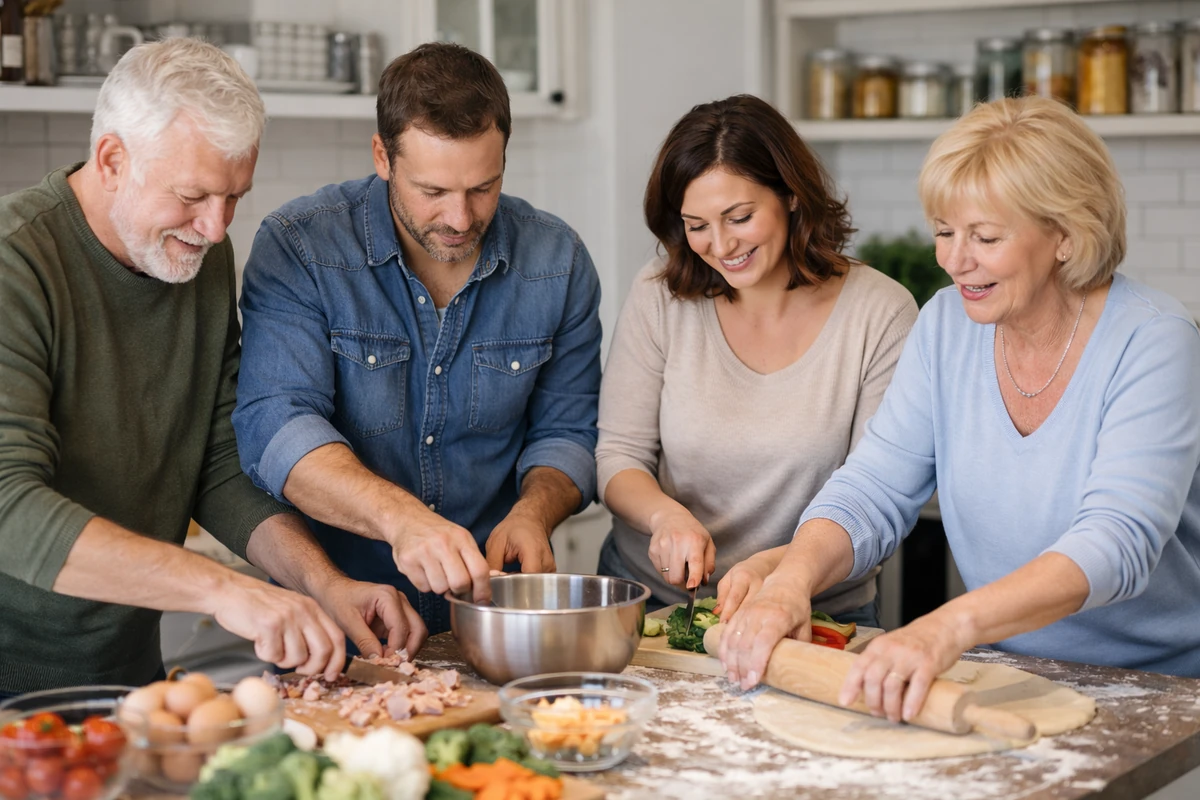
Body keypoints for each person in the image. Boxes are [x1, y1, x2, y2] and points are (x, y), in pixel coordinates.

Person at [718, 96, 1200, 722]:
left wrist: (945, 628)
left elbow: (1119, 540)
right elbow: (872, 489)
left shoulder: (1154, 339)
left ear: (1066, 234)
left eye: (986, 237)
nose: (954, 260)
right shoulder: (946, 323)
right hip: (1007, 676)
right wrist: (791, 580)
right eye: (945, 232)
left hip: (1163, 690)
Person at [0, 39, 426, 699]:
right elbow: (9, 508)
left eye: (234, 197)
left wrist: (323, 583)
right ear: (113, 158)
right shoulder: (16, 266)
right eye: (194, 195)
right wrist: (224, 590)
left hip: (125, 683)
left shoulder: (189, 255)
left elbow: (219, 461)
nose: (216, 226)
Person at [232, 43, 602, 635]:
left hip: (487, 620)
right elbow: (275, 427)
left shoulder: (557, 261)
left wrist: (534, 512)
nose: (460, 218)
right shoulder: (301, 247)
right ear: (383, 156)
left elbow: (568, 431)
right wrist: (399, 518)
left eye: (484, 187)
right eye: (433, 192)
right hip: (341, 617)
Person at [594, 94, 917, 623]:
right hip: (653, 605)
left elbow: (874, 498)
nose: (720, 246)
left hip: (815, 613)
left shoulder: (880, 312)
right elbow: (618, 456)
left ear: (791, 195)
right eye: (696, 225)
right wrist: (664, 516)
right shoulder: (660, 295)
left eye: (739, 217)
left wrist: (778, 573)